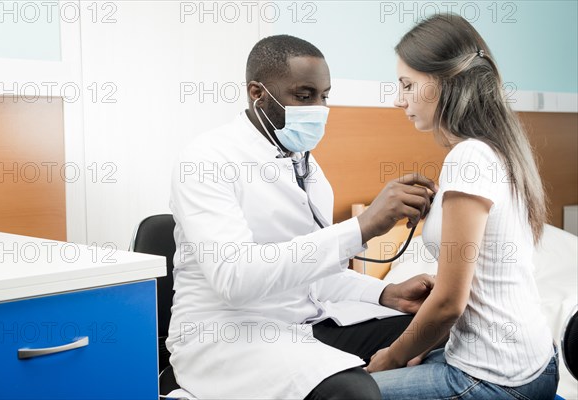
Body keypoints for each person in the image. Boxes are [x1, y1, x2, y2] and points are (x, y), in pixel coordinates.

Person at [167, 34, 437, 399]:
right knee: (352, 393)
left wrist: (387, 293)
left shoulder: (308, 170)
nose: (319, 108)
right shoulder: (207, 160)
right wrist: (362, 226)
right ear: (257, 93)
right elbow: (235, 277)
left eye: (324, 96)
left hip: (302, 327)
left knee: (431, 331)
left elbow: (314, 277)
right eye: (304, 95)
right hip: (227, 336)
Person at [368, 13, 559, 400]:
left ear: (443, 83)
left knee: (343, 392)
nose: (398, 99)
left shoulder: (468, 158)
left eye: (407, 85)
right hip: (535, 363)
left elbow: (449, 304)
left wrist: (389, 358)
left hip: (495, 377)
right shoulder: (497, 151)